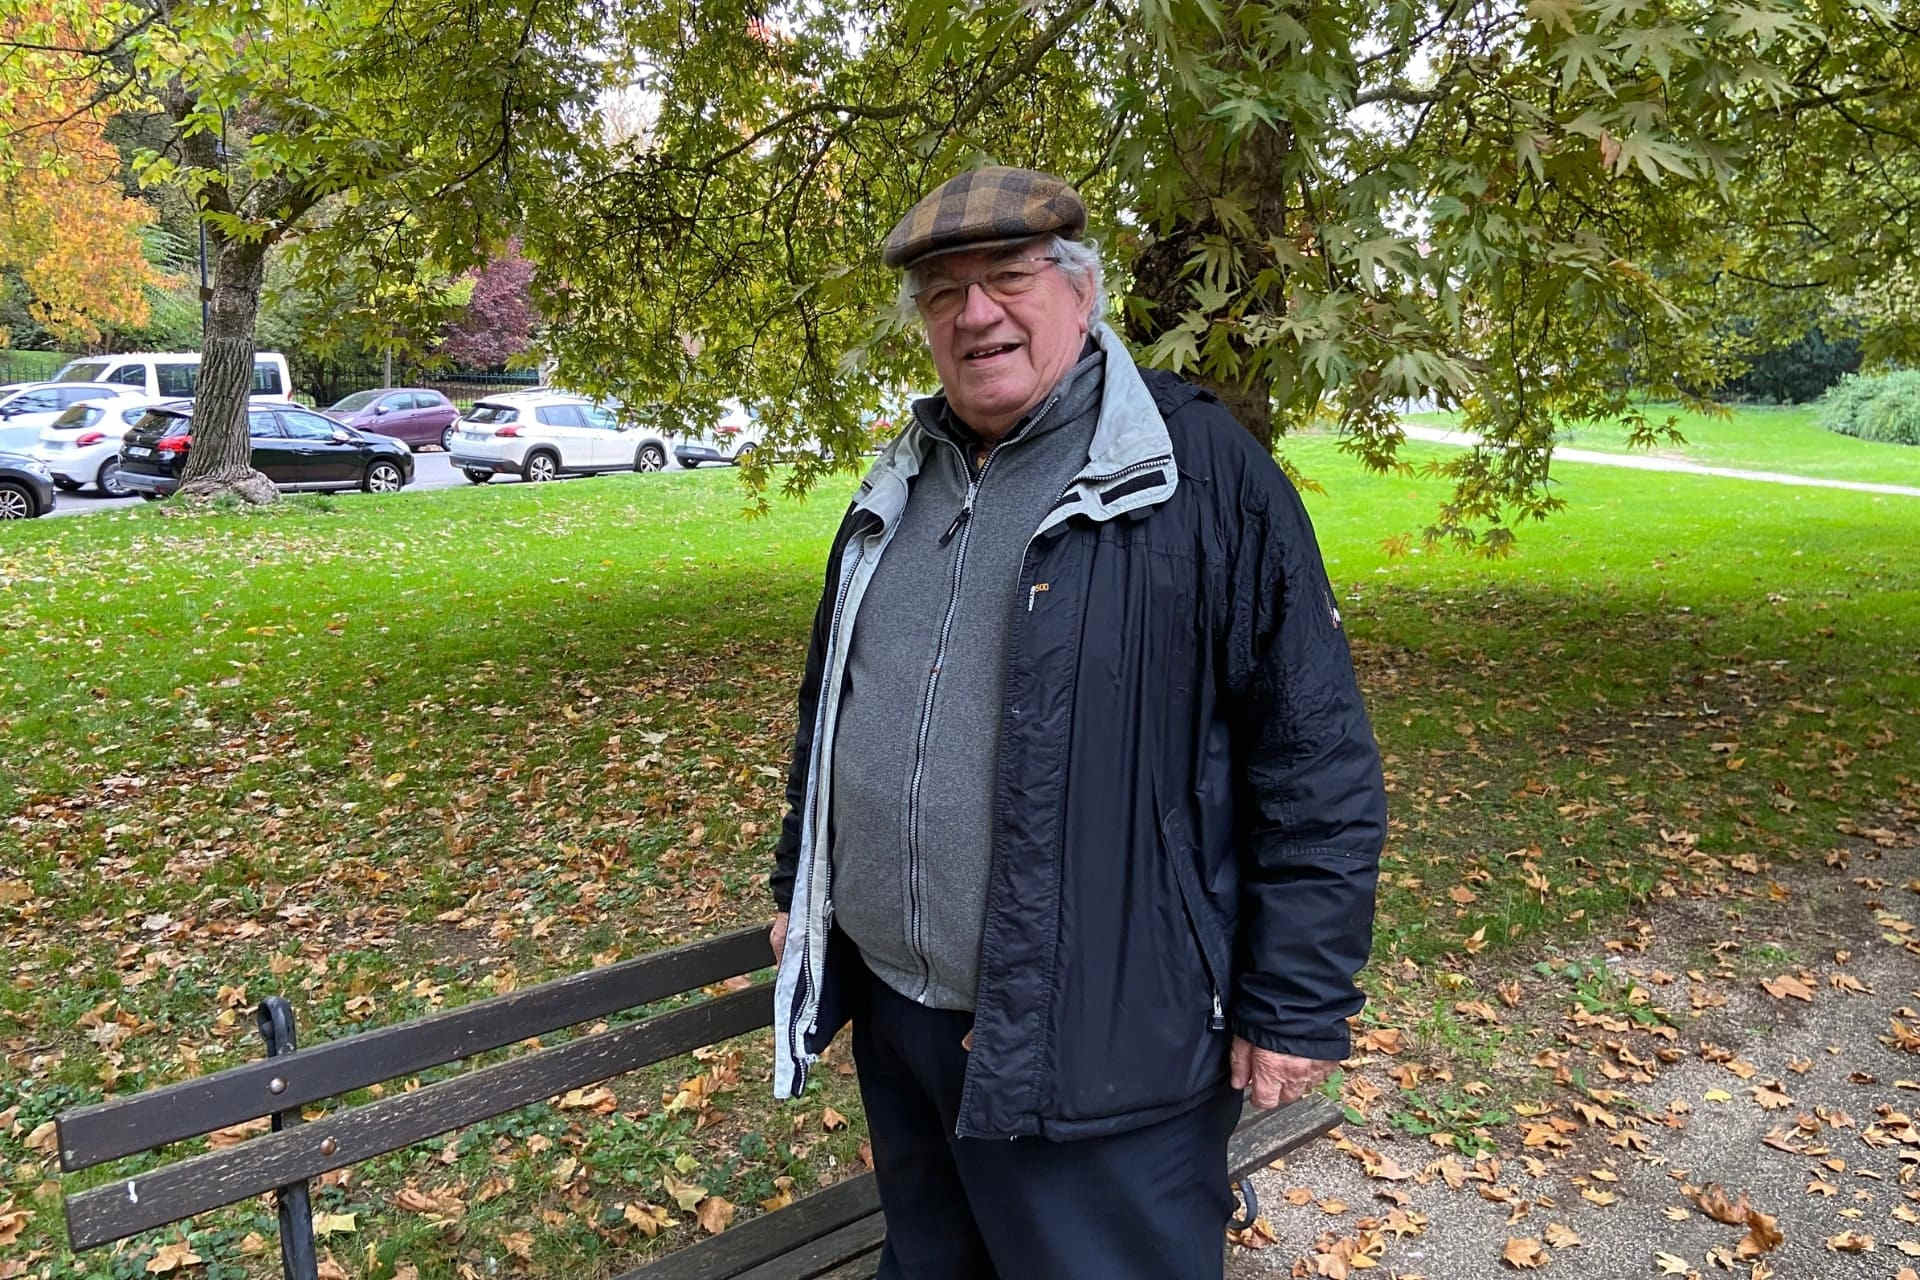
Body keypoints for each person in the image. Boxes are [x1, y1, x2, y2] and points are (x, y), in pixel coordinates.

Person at [767, 166, 1385, 1279]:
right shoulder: (900, 480)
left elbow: (1315, 760)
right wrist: (800, 895)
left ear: (1083, 294)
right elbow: (836, 711)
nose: (976, 313)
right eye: (944, 293)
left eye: (1008, 278)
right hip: (905, 1024)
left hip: (1107, 1044)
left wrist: (1294, 1003)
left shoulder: (1200, 477)